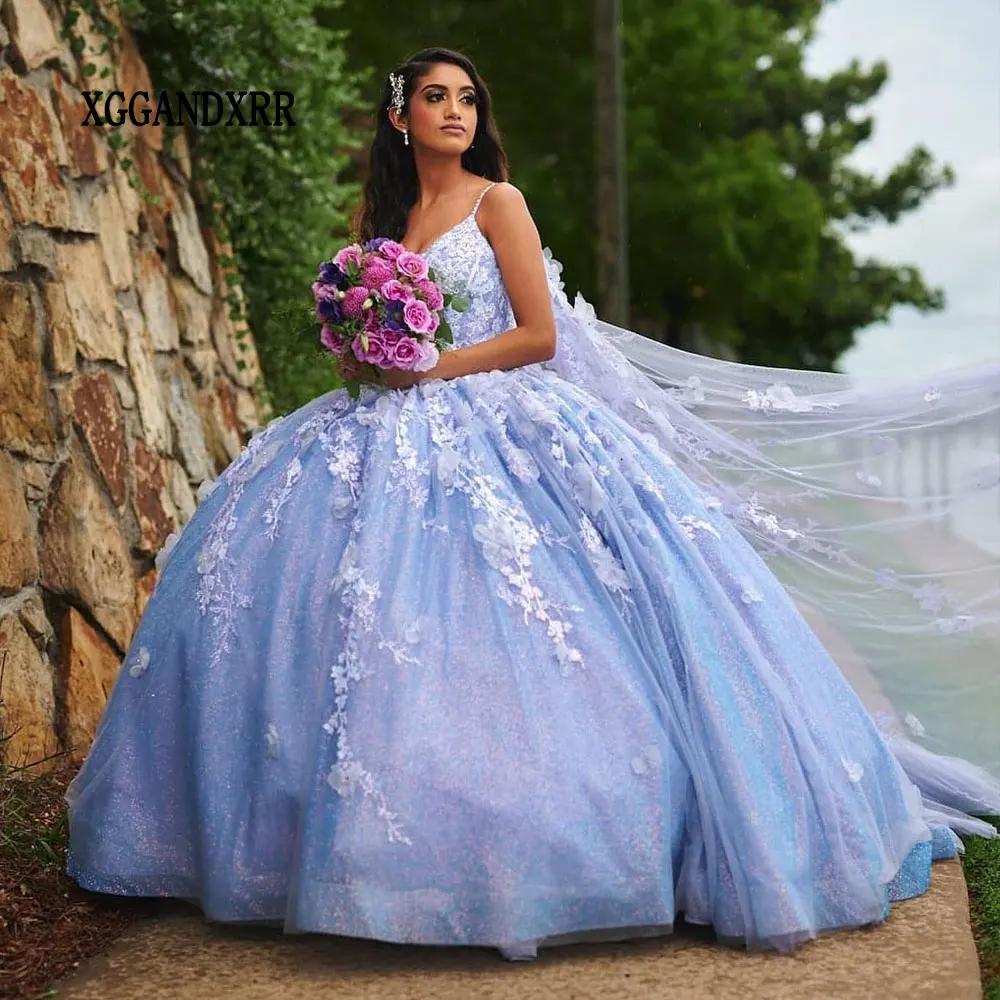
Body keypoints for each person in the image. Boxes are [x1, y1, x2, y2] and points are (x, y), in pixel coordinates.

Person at [65, 46, 1000, 963]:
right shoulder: (381, 227)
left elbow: (539, 335)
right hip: (378, 424)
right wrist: (366, 356)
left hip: (502, 419)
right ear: (401, 116)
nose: (457, 112)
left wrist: (433, 367)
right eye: (436, 97)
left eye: (468, 98)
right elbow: (371, 349)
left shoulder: (495, 201)